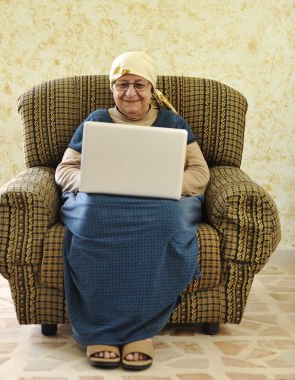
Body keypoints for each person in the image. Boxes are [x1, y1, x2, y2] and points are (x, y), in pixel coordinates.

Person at [55, 51, 210, 370]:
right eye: (122, 84)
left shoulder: (172, 123)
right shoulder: (96, 120)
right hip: (103, 202)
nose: (130, 92)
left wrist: (167, 182)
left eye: (139, 84)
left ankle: (141, 331)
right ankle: (101, 331)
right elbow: (64, 170)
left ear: (152, 88)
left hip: (158, 204)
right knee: (91, 217)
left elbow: (200, 173)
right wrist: (90, 179)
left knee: (165, 220)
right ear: (112, 88)